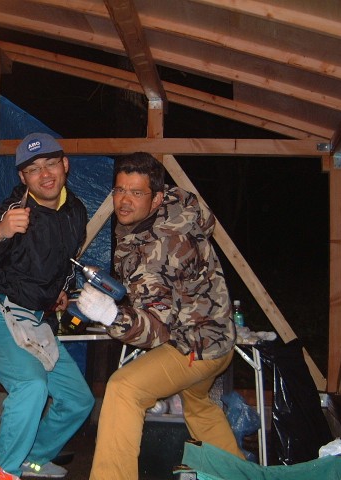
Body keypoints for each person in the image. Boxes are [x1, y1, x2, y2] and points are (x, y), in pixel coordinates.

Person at [77, 152, 245, 480]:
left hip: (194, 347)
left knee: (124, 388)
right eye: (120, 190)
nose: (124, 201)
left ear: (155, 198)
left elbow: (158, 330)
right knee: (200, 406)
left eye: (136, 193)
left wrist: (111, 316)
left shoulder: (162, 248)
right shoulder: (176, 206)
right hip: (220, 338)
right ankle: (238, 476)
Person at [0, 132, 95, 478]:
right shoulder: (14, 211)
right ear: (23, 177)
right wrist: (0, 232)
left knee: (78, 399)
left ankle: (31, 457)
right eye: (34, 169)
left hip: (36, 320)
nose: (45, 174)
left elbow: (64, 261)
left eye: (51, 163)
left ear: (65, 164)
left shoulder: (76, 211)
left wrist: (61, 290)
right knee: (31, 386)